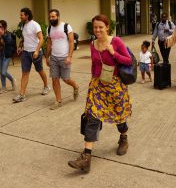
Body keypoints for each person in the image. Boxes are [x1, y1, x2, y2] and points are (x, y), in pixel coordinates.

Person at [68, 14, 132, 172]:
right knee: (92, 118)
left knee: (119, 117)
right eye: (95, 27)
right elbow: (94, 65)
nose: (97, 30)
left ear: (107, 27)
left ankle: (123, 138)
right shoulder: (92, 44)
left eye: (100, 27)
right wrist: (92, 84)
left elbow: (128, 60)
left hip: (115, 85)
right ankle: (86, 157)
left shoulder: (116, 41)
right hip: (97, 85)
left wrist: (113, 53)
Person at [13, 8, 50, 103]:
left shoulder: (35, 25)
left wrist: (37, 51)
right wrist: (20, 46)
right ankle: (22, 95)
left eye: (22, 15)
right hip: (25, 52)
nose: (20, 16)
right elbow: (24, 38)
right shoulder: (23, 25)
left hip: (35, 51)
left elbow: (41, 39)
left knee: (40, 70)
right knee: (25, 73)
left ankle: (46, 86)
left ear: (27, 15)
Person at [45, 9, 79, 110]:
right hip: (54, 58)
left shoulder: (66, 27)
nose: (51, 19)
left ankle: (75, 86)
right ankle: (58, 100)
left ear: (58, 17)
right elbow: (49, 44)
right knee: (55, 79)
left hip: (64, 57)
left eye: (53, 17)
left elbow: (72, 42)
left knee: (66, 79)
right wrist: (47, 57)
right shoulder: (49, 28)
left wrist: (69, 56)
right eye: (50, 17)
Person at [0, 20, 17, 94]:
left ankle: (12, 80)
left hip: (6, 56)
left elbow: (9, 43)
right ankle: (3, 87)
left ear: (4, 27)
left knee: (3, 71)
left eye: (1, 26)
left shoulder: (8, 35)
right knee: (1, 73)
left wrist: (3, 35)